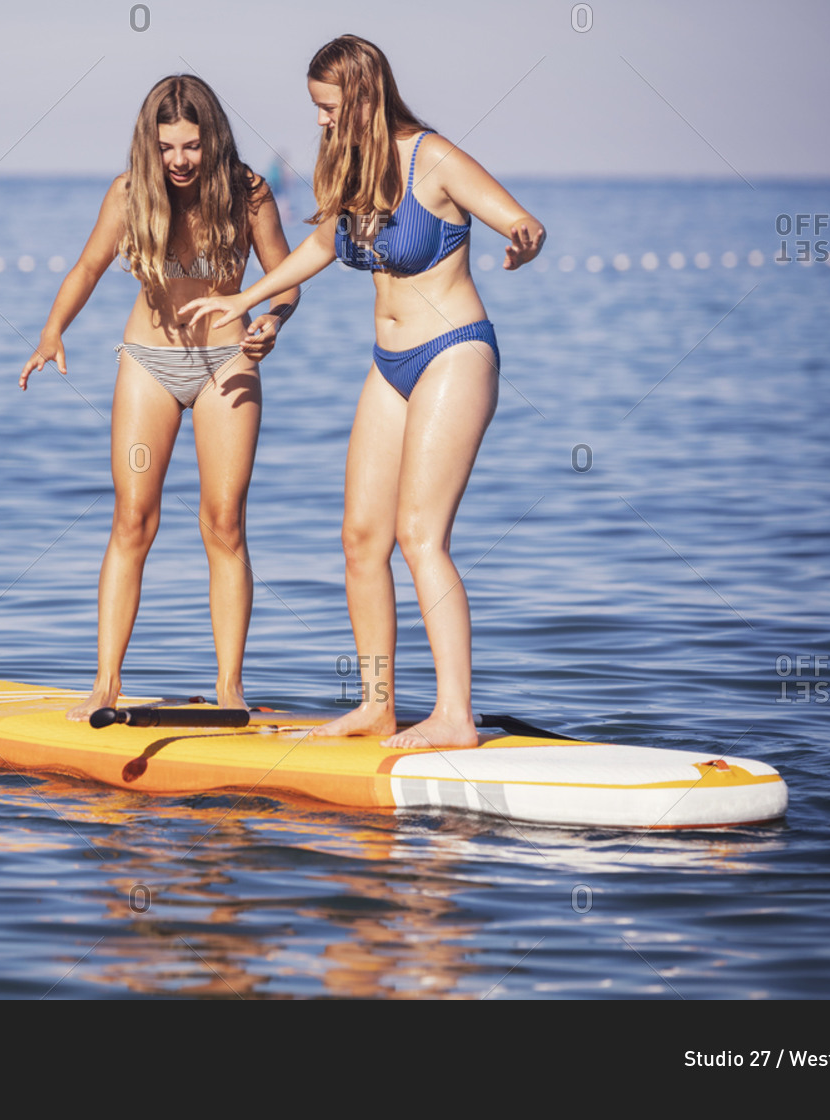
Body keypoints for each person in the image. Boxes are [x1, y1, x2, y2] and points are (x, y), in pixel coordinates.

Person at [182, 35, 544, 748]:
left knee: (419, 534)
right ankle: (377, 706)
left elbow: (520, 220)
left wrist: (524, 240)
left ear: (364, 96)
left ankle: (454, 716)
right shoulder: (348, 163)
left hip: (454, 353)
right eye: (314, 108)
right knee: (360, 540)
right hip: (389, 364)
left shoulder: (432, 158)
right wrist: (245, 299)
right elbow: (323, 244)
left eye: (328, 107)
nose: (319, 121)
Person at [20, 74, 300, 721]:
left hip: (227, 364)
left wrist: (272, 321)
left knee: (224, 523)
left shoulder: (248, 191)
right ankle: (106, 684)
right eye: (168, 146)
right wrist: (52, 330)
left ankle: (230, 690)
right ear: (151, 143)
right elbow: (88, 267)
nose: (179, 160)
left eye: (192, 146)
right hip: (148, 363)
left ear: (214, 140)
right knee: (132, 519)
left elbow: (285, 277)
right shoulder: (128, 194)